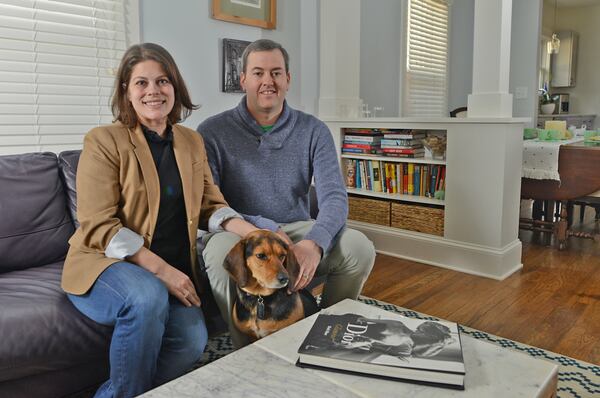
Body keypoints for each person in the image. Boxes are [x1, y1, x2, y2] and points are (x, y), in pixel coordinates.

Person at [61, 43, 257, 398]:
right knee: (147, 295)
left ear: (175, 87)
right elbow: (97, 224)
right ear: (126, 91)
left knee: (192, 342)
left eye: (163, 81)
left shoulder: (191, 141)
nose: (153, 91)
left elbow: (211, 205)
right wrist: (163, 271)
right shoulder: (104, 141)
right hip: (105, 264)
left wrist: (255, 233)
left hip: (174, 266)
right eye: (141, 83)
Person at [197, 39, 376, 348]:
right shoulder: (212, 132)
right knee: (216, 255)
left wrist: (314, 243)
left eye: (276, 72)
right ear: (243, 80)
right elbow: (209, 203)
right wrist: (263, 227)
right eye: (258, 73)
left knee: (359, 247)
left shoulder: (314, 130)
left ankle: (326, 334)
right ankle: (246, 347)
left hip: (297, 229)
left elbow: (334, 197)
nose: (268, 81)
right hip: (241, 231)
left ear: (288, 80)